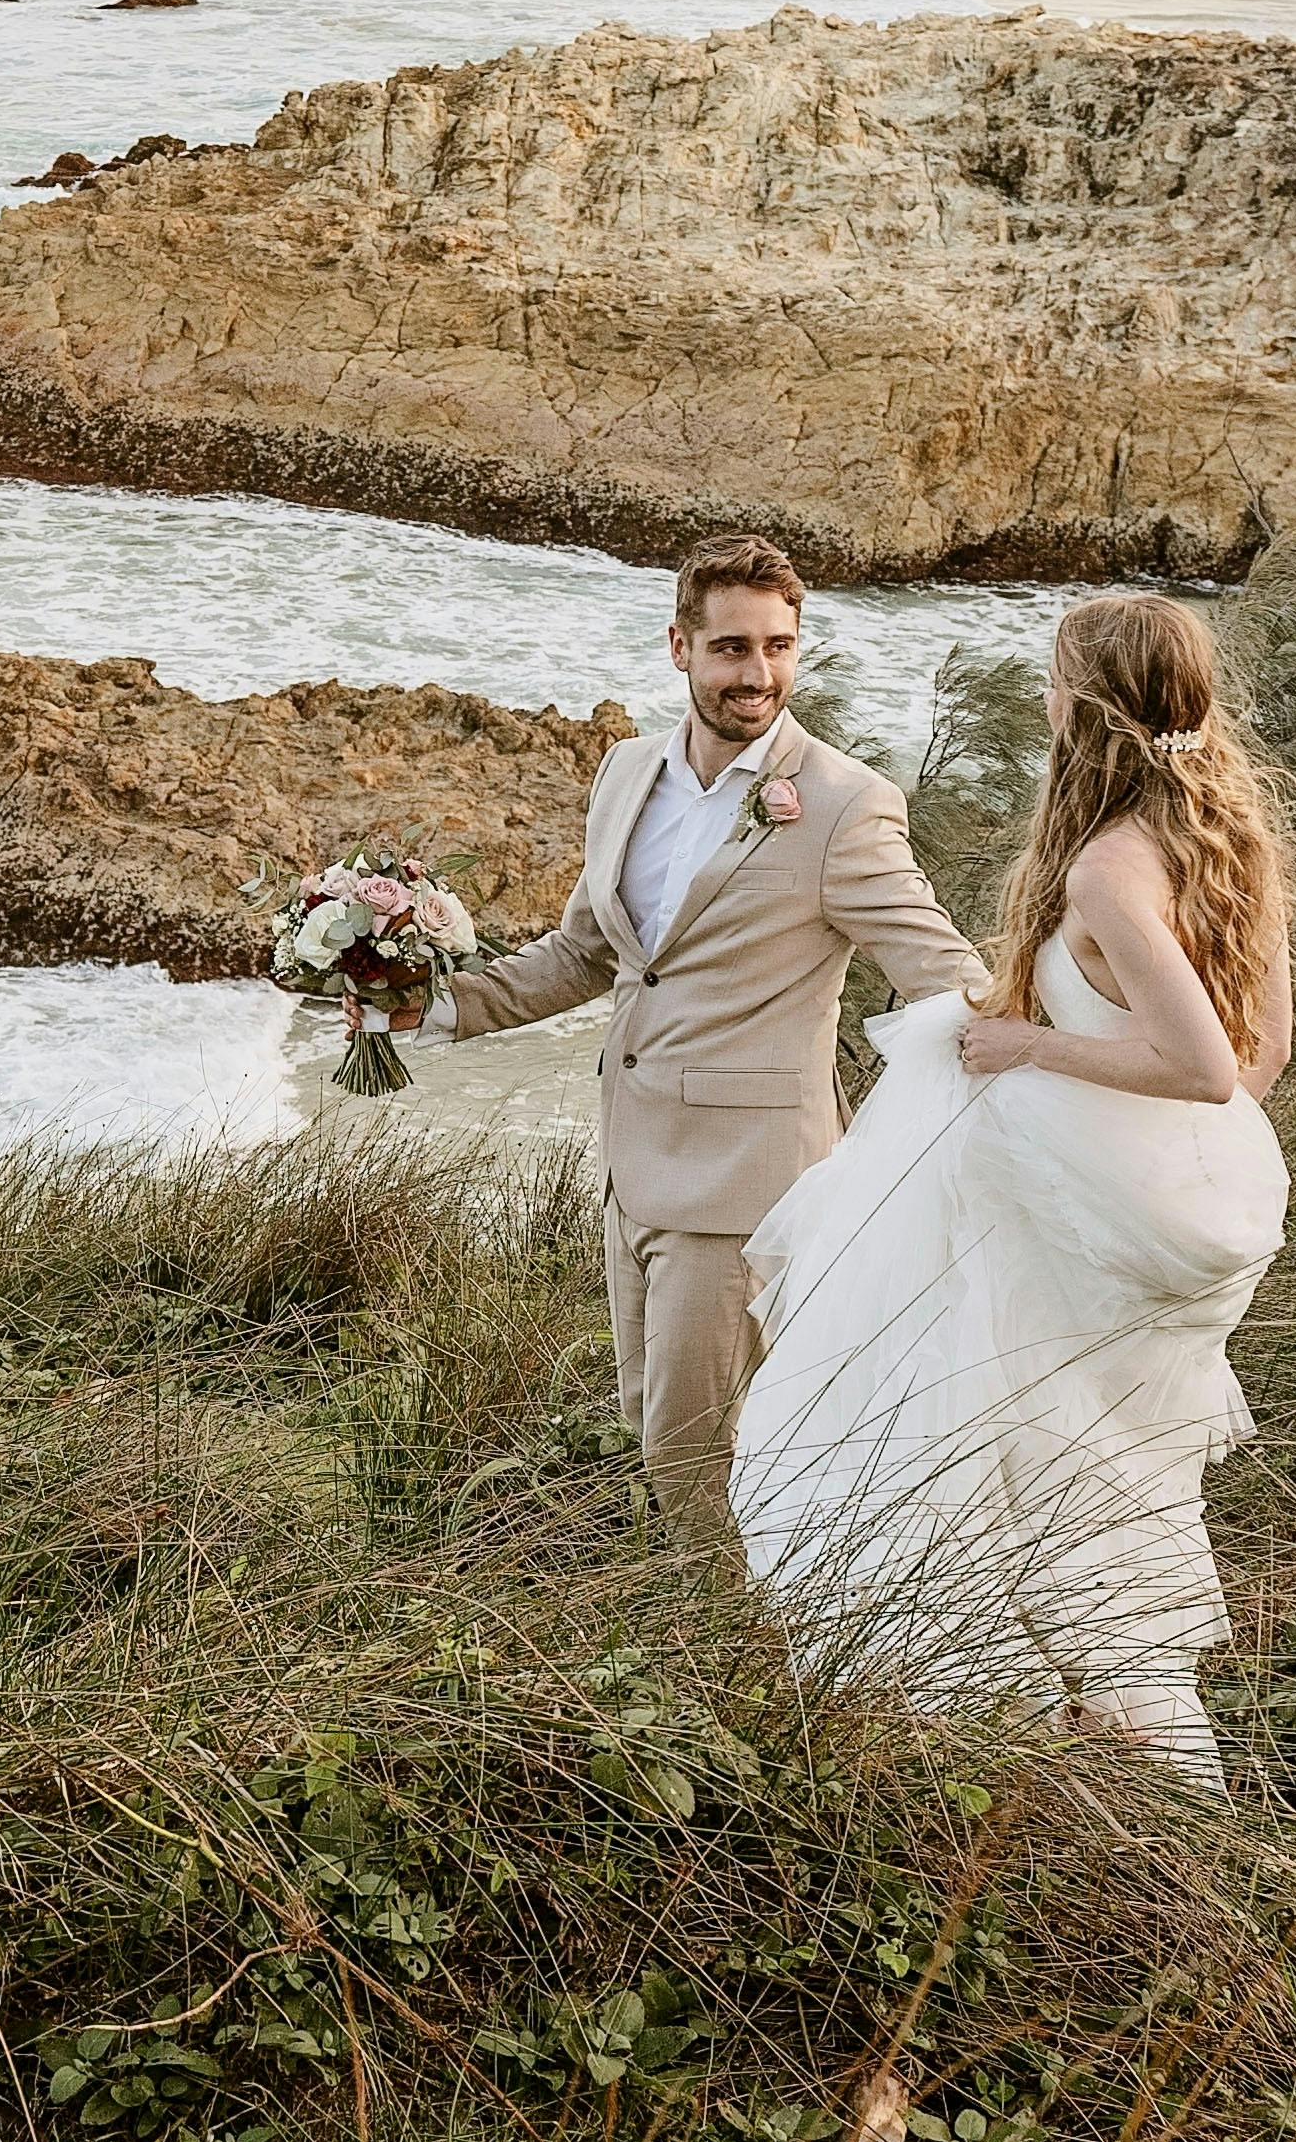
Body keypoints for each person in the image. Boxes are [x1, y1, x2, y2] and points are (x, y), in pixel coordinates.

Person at [726, 589, 1295, 1785]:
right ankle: (1142, 1769)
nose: (1040, 697)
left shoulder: (1108, 869)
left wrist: (1028, 1049)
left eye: (1051, 678)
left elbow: (1197, 1066)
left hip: (1080, 1211)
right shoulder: (1234, 838)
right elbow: (1263, 1059)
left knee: (1002, 1456)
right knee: (1093, 1479)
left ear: (1085, 708)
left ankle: (1027, 1756)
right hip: (1167, 1196)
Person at [414, 536, 981, 1541]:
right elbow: (589, 953)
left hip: (748, 1183)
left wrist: (1047, 1062)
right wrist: (436, 1005)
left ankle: (739, 1660)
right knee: (650, 1426)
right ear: (679, 646)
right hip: (631, 1163)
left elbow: (943, 972)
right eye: (730, 648)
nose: (756, 674)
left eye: (778, 646)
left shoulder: (845, 806)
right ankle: (721, 1640)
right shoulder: (628, 772)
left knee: (699, 1448)